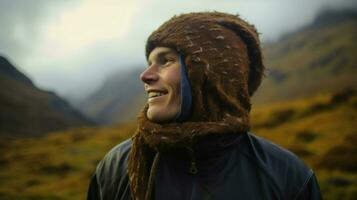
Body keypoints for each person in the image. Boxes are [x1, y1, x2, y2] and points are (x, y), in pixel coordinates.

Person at [87, 12, 322, 200]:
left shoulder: (288, 178)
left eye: (165, 60)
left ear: (211, 73)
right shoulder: (116, 167)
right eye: (149, 63)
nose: (145, 76)